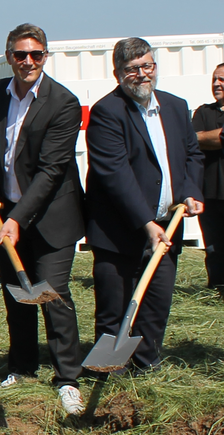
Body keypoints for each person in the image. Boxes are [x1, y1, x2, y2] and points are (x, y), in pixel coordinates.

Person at [0, 24, 86, 416]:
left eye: (36, 54)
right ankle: (22, 367)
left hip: (52, 217)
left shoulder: (63, 102)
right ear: (9, 56)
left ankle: (67, 378)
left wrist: (18, 218)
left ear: (45, 57)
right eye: (20, 54)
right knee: (16, 294)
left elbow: (51, 171)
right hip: (7, 213)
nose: (28, 62)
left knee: (52, 294)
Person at [85, 38, 203, 373]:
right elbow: (114, 173)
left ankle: (146, 365)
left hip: (166, 225)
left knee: (155, 304)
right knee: (115, 306)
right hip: (119, 231)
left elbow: (192, 155)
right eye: (132, 69)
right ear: (117, 73)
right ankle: (110, 372)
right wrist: (145, 223)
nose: (142, 74)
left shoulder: (176, 107)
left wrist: (191, 191)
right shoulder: (108, 112)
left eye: (147, 66)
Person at [191, 63, 224, 291]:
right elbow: (192, 140)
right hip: (211, 194)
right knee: (214, 246)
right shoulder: (203, 112)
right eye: (214, 79)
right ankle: (218, 288)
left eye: (221, 79)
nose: (216, 84)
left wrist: (209, 137)